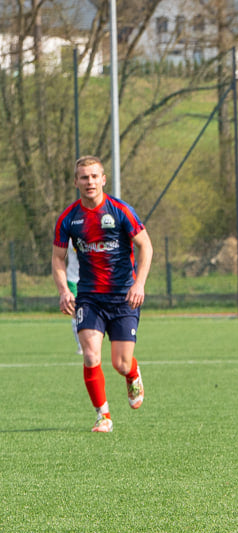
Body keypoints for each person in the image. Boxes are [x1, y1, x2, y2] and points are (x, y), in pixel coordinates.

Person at [52, 156, 153, 433]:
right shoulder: (68, 218)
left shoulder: (120, 211)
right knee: (90, 355)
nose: (90, 182)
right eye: (84, 177)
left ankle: (132, 373)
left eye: (94, 176)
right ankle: (103, 416)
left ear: (103, 179)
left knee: (120, 363)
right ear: (76, 182)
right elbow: (58, 258)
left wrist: (139, 284)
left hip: (123, 296)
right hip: (90, 297)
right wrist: (63, 291)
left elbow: (146, 246)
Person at [66, 244, 83, 354]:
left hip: (90, 278)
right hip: (73, 279)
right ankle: (81, 345)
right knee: (75, 312)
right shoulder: (69, 234)